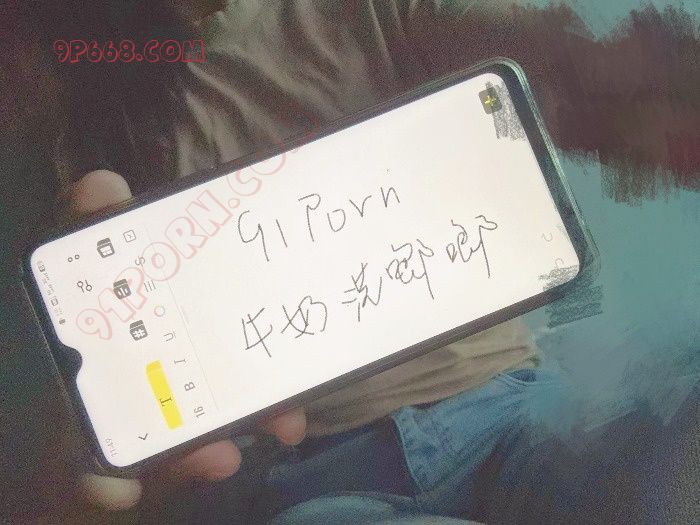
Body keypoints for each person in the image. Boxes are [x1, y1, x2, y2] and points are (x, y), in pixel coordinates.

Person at [23, 0, 698, 521]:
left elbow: (543, 55)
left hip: (513, 414)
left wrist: (610, 76)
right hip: (314, 476)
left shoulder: (371, 12)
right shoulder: (93, 118)